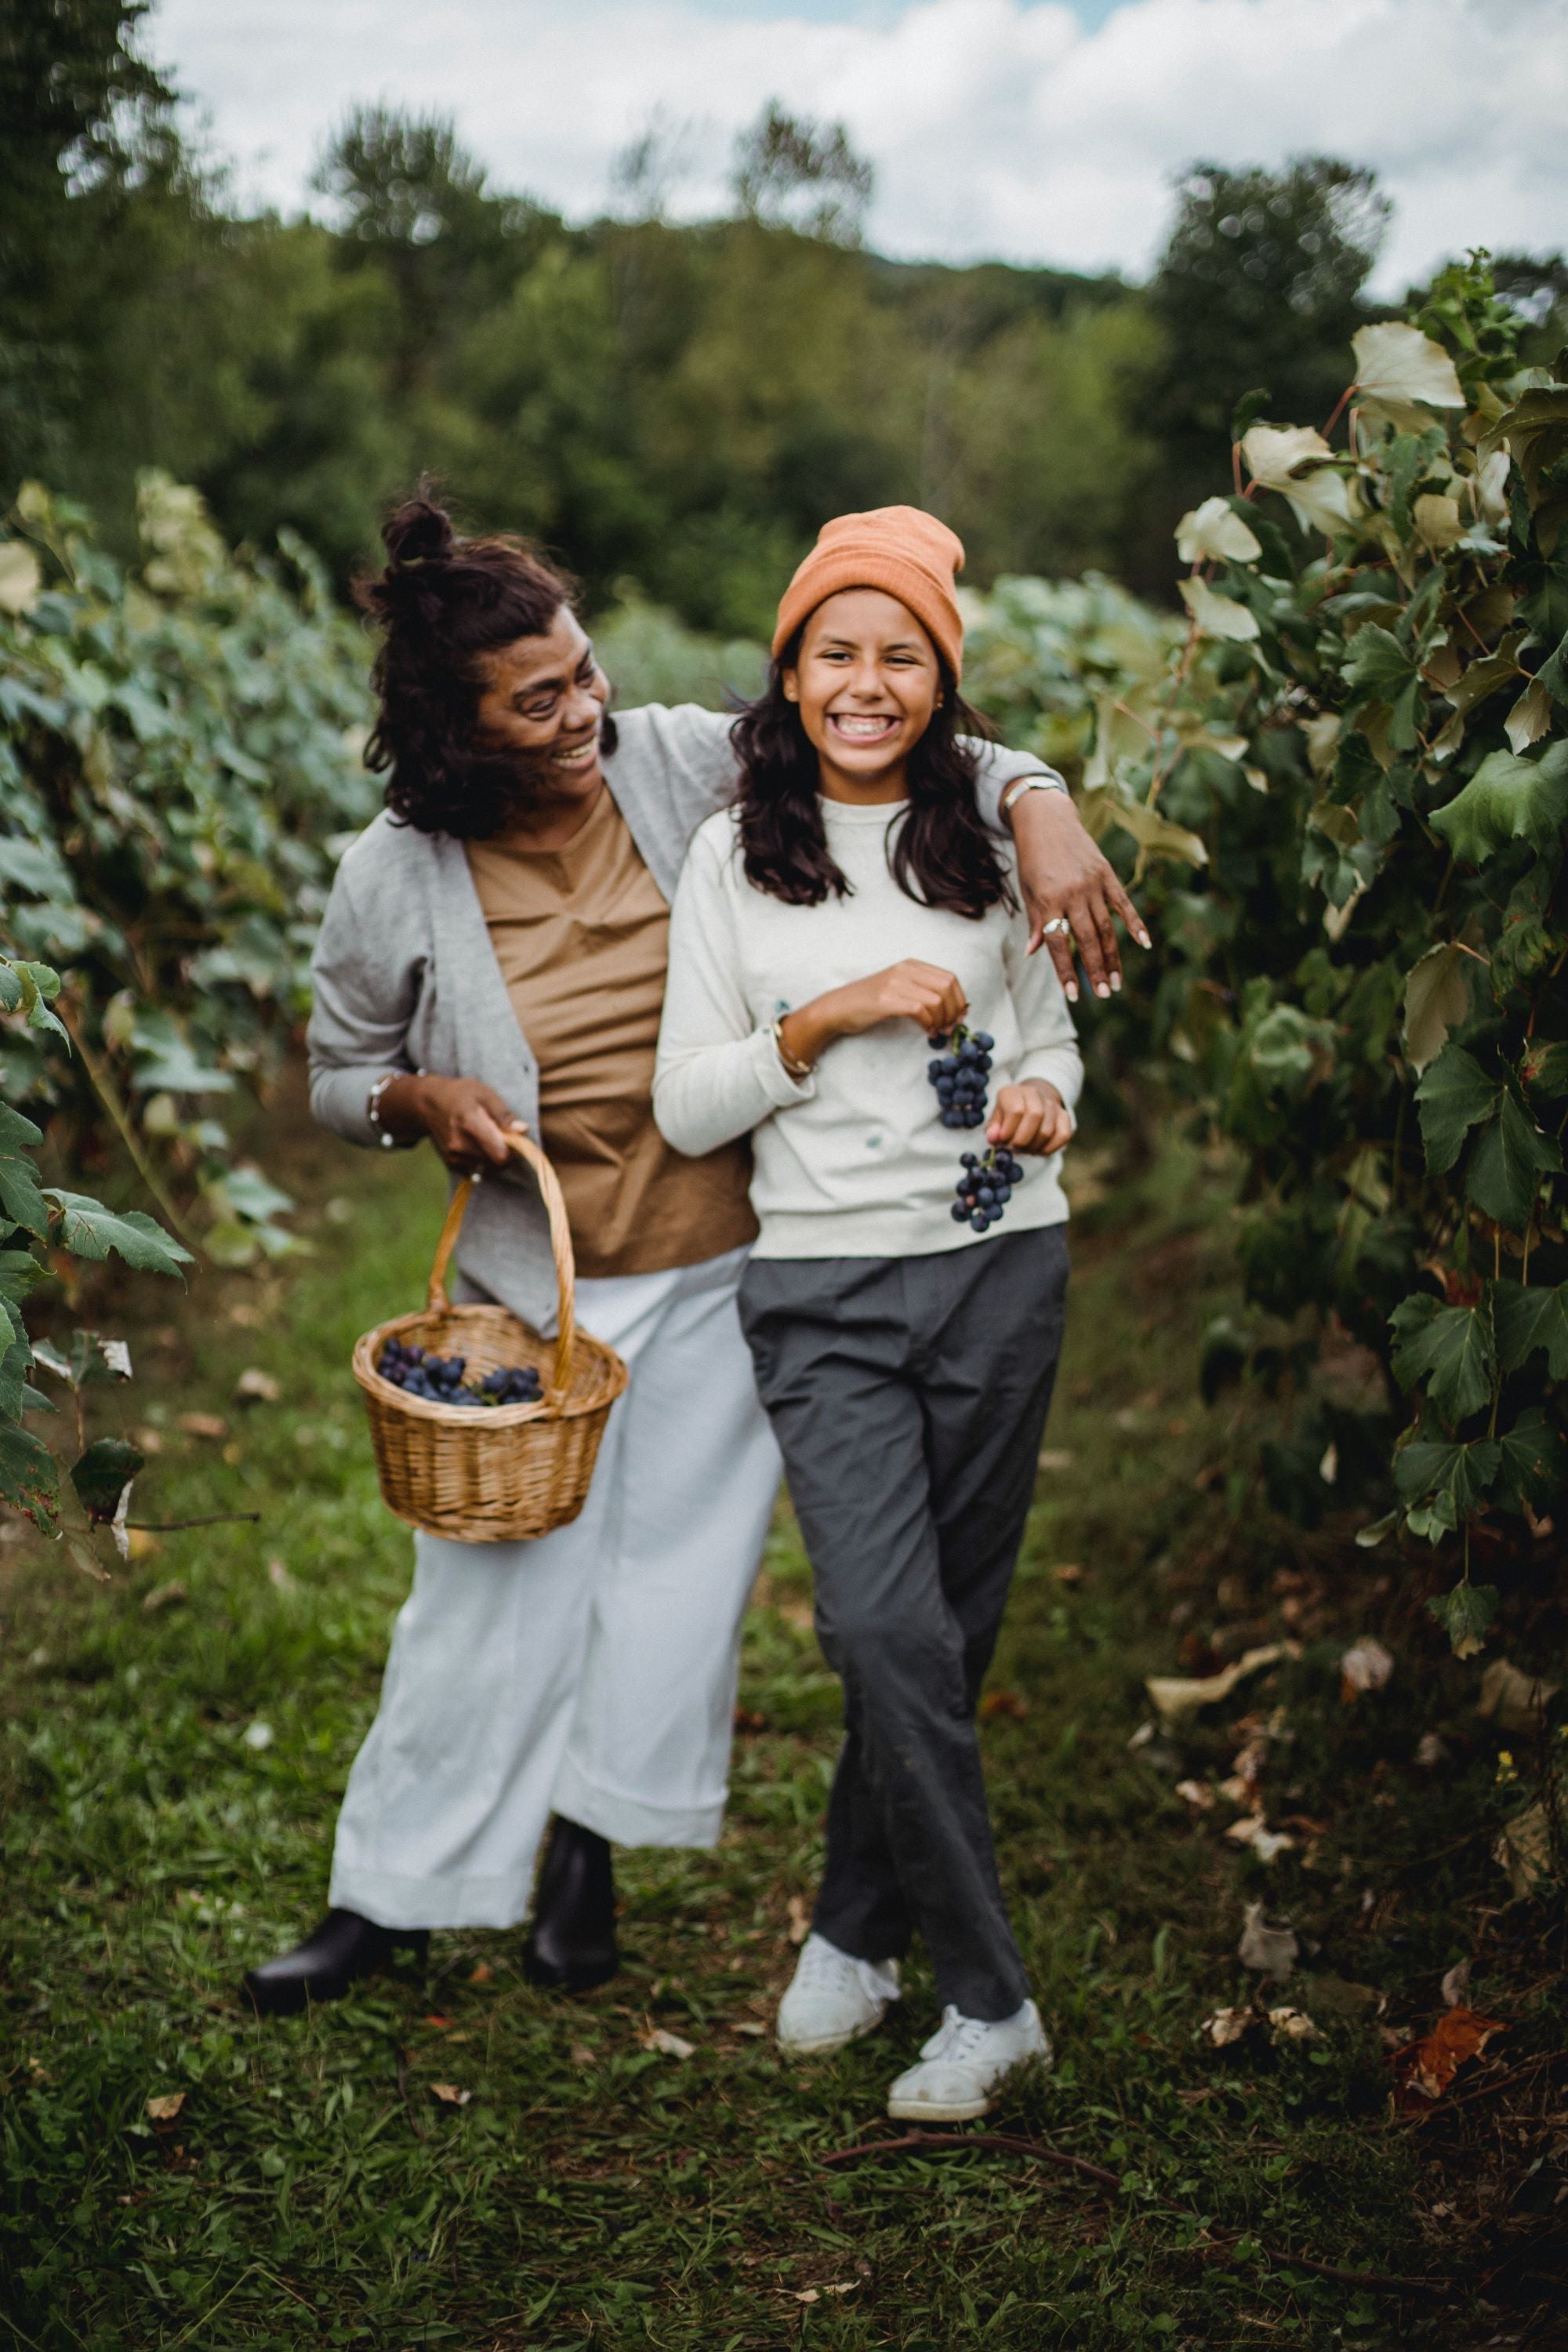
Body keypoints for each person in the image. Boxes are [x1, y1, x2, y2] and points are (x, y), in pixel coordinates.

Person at [241, 492, 1138, 2016]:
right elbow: (337, 1072)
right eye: (540, 699)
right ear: (456, 726)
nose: (585, 709)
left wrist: (1039, 799)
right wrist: (413, 1098)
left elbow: (890, 727)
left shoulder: (664, 761)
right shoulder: (394, 875)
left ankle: (587, 1853)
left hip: (731, 1266)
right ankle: (387, 1895)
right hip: (542, 1295)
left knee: (674, 1587)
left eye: (584, 672)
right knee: (478, 1600)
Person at [653, 506, 1080, 2122]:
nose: (866, 681)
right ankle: (990, 1996)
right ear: (789, 673)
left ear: (940, 683)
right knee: (881, 1627)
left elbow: (1050, 1038)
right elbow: (690, 1106)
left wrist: (1043, 1100)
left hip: (999, 1271)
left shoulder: (977, 829)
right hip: (820, 1293)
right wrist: (825, 1015)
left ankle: (853, 1924)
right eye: (837, 651)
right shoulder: (730, 856)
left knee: (942, 1642)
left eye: (901, 657)